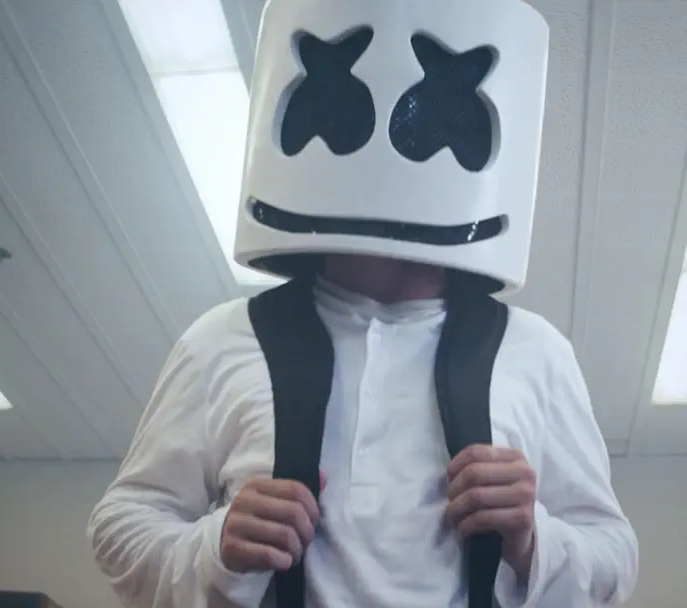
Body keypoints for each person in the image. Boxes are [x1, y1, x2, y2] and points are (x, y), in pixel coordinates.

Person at [87, 0, 638, 606]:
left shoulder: (535, 351)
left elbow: (614, 554)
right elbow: (121, 523)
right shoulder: (222, 339)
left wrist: (533, 538)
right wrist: (215, 546)